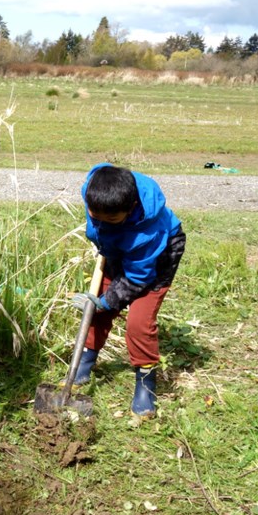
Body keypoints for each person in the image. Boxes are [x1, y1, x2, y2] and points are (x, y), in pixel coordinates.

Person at [71, 163, 185, 419]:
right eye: (94, 214)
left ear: (131, 207)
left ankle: (146, 384)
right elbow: (101, 217)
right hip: (119, 247)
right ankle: (84, 362)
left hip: (157, 258)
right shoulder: (97, 192)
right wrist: (101, 302)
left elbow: (137, 277)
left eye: (109, 218)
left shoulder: (147, 233)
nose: (99, 219)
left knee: (139, 322)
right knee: (97, 307)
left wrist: (107, 301)